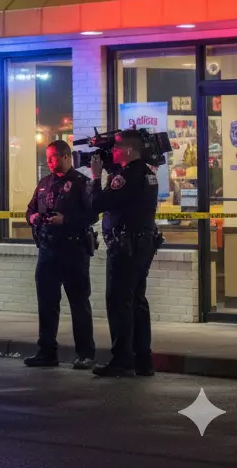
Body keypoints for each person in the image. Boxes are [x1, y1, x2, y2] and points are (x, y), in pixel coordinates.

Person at [90, 129, 160, 377]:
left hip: (124, 247)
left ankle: (121, 360)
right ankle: (143, 360)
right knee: (137, 301)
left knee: (119, 302)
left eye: (117, 148)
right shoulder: (147, 174)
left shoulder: (126, 177)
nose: (114, 152)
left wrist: (96, 177)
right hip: (142, 245)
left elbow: (98, 204)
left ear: (129, 150)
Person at [24, 139, 98, 369]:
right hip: (47, 250)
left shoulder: (81, 183)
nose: (49, 161)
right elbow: (30, 209)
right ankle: (46, 351)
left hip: (73, 250)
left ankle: (85, 354)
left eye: (53, 157)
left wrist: (66, 220)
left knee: (78, 303)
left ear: (67, 157)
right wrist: (33, 218)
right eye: (47, 157)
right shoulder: (44, 182)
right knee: (46, 303)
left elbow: (93, 215)